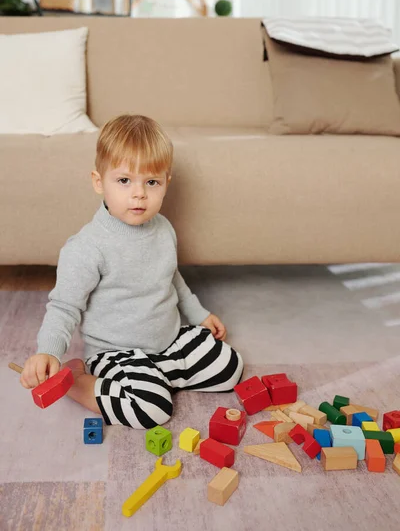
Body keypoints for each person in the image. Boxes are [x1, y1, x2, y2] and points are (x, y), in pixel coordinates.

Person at [20, 114, 244, 428]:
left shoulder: (163, 228)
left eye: (151, 182)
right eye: (124, 181)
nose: (139, 194)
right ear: (99, 182)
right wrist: (49, 352)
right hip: (116, 350)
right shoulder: (87, 247)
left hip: (167, 341)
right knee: (153, 410)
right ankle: (78, 381)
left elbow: (171, 278)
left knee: (229, 365)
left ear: (166, 182)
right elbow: (64, 307)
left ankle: (155, 376)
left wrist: (199, 314)